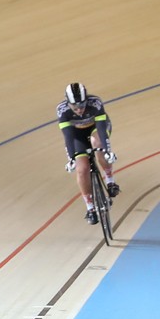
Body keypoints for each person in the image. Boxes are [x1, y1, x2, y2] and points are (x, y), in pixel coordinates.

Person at [58, 82, 121, 225]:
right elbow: (68, 137)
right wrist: (71, 159)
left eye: (82, 105)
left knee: (96, 143)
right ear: (68, 104)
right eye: (75, 107)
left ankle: (110, 181)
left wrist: (107, 151)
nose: (79, 110)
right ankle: (90, 207)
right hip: (76, 135)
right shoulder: (62, 111)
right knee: (82, 169)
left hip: (96, 129)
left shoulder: (95, 104)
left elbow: (101, 131)